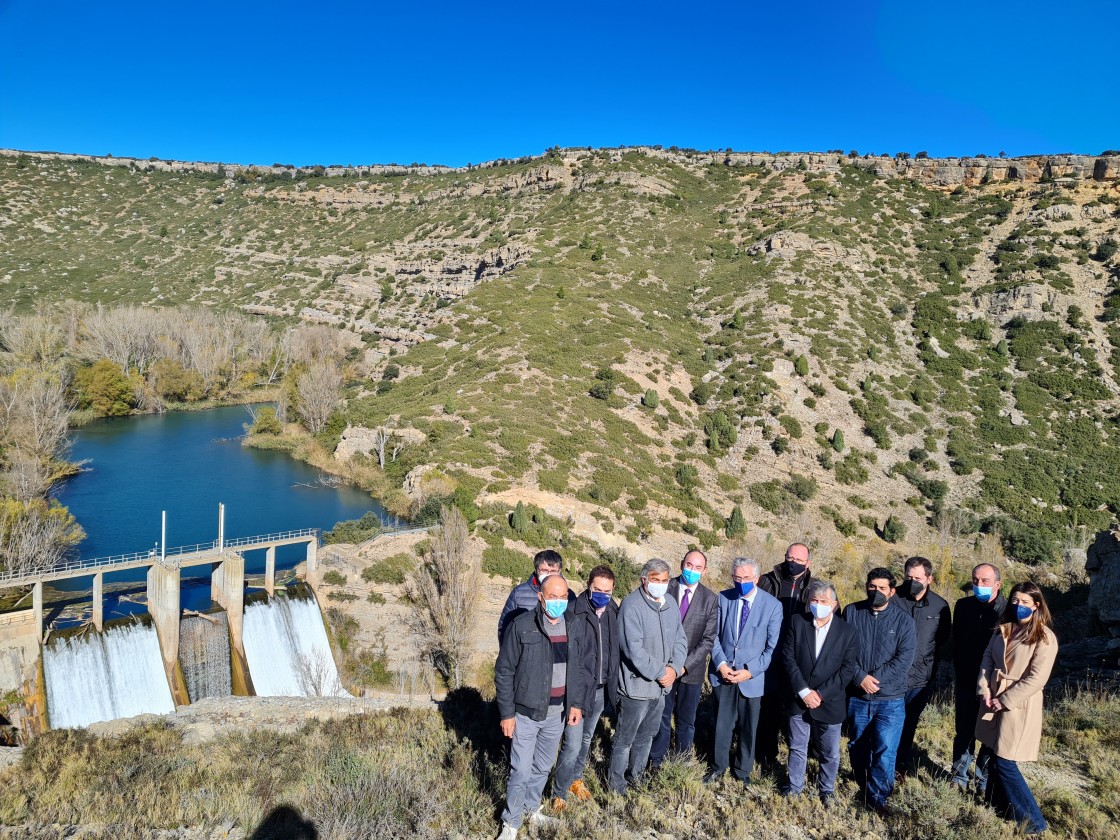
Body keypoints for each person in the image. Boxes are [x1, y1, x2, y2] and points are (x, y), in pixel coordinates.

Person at [494, 574, 592, 840]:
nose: (558, 602)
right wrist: (507, 713)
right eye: (552, 597)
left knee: (542, 767)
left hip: (557, 714)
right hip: (525, 713)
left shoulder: (573, 626)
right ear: (540, 597)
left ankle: (531, 809)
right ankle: (511, 823)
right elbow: (504, 671)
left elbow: (579, 670)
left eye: (563, 597)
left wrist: (575, 705)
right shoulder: (522, 625)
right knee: (521, 769)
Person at [975, 582, 1057, 836]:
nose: (1019, 606)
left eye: (1025, 602)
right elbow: (987, 659)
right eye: (1015, 600)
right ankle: (999, 807)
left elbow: (1036, 678)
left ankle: (1034, 820)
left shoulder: (1044, 637)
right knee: (990, 752)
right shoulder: (1002, 629)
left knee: (1005, 761)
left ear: (1037, 605)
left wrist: (1006, 699)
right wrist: (985, 689)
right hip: (992, 697)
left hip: (1018, 705)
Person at [607, 558, 687, 794]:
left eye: (664, 580)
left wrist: (674, 669)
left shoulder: (670, 603)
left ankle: (637, 777)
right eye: (655, 580)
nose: (660, 584)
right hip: (636, 688)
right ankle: (616, 786)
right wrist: (661, 672)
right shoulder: (631, 607)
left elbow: (680, 639)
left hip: (660, 688)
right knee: (625, 740)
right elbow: (633, 650)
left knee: (647, 737)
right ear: (644, 580)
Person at [705, 557, 782, 786]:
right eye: (737, 578)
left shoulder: (772, 606)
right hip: (725, 674)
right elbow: (714, 636)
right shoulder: (723, 598)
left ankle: (743, 770)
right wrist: (721, 664)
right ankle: (718, 767)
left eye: (746, 578)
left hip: (753, 679)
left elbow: (772, 648)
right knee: (721, 723)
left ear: (756, 578)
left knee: (749, 727)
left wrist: (750, 671)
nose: (741, 582)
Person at [781, 579, 859, 804]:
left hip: (830, 701)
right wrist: (804, 691)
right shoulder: (797, 622)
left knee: (830, 752)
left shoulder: (848, 632)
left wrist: (821, 694)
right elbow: (788, 659)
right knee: (797, 747)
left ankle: (826, 790)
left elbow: (847, 669)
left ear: (834, 604)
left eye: (824, 601)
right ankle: (795, 787)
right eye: (814, 600)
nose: (818, 604)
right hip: (799, 698)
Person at [844, 567, 916, 813]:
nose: (876, 592)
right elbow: (843, 650)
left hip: (890, 698)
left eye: (882, 588)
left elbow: (904, 658)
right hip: (858, 696)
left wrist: (875, 679)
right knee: (858, 746)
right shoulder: (852, 612)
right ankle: (864, 787)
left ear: (892, 591)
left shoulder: (904, 620)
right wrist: (859, 677)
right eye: (872, 587)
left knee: (885, 748)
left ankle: (879, 797)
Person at [550, 565, 619, 811]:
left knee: (587, 738)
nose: (602, 595)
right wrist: (575, 700)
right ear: (588, 587)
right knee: (572, 743)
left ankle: (575, 780)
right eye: (597, 589)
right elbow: (573, 662)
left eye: (607, 591)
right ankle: (559, 792)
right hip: (578, 692)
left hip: (601, 690)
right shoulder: (573, 614)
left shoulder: (612, 610)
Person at [649, 549, 718, 770]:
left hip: (691, 671)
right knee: (661, 716)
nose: (692, 570)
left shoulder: (710, 599)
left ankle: (681, 760)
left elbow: (708, 640)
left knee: (686, 720)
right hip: (662, 668)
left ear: (704, 571)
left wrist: (682, 667)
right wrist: (666, 667)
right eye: (689, 565)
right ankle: (656, 760)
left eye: (698, 567)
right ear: (681, 564)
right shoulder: (665, 588)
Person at [756, 542, 815, 769]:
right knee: (767, 707)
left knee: (796, 709)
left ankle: (800, 757)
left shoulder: (815, 588)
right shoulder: (766, 581)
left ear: (808, 563)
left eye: (799, 560)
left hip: (799, 660)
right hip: (768, 655)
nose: (793, 563)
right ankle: (765, 755)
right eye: (790, 558)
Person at [950, 562, 1007, 791]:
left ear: (997, 584)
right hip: (966, 680)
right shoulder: (963, 606)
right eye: (975, 580)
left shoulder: (1006, 612)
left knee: (989, 733)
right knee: (964, 730)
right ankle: (959, 776)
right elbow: (956, 642)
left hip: (994, 686)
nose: (978, 585)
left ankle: (983, 780)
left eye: (984, 581)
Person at [895, 556, 951, 772]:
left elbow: (942, 639)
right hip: (892, 676)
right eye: (908, 577)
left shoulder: (939, 606)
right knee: (886, 722)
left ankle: (900, 763)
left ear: (929, 579)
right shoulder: (892, 598)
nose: (912, 581)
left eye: (917, 577)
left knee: (909, 723)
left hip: (920, 678)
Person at [497, 549, 568, 644]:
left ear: (559, 571)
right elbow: (504, 627)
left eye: (553, 571)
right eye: (544, 570)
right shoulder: (519, 593)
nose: (549, 574)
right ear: (536, 569)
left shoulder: (569, 595)